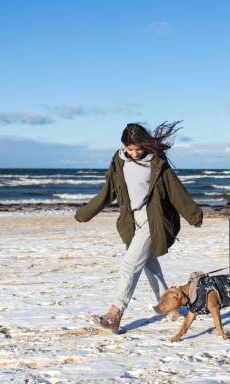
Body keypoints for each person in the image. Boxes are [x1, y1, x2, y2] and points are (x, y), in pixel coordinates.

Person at [74, 121, 203, 333]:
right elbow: (109, 191)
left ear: (145, 145)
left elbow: (175, 189)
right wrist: (86, 212)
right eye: (130, 149)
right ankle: (171, 306)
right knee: (149, 265)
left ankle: (114, 315)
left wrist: (193, 214)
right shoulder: (118, 160)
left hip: (153, 219)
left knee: (129, 265)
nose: (134, 153)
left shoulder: (157, 162)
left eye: (138, 148)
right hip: (131, 220)